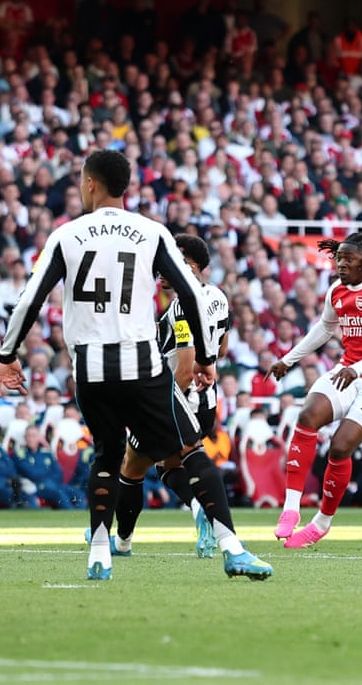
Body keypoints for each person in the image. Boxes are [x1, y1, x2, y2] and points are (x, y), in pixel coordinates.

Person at [0, 150, 223, 581]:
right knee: (173, 457)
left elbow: (30, 299)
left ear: (91, 183)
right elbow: (191, 299)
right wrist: (209, 360)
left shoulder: (67, 235)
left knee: (115, 459)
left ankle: (106, 545)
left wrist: (8, 355)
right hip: (148, 368)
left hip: (96, 367)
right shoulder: (152, 233)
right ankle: (218, 535)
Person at [109, 234, 272, 577]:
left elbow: (183, 367)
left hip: (178, 398)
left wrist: (164, 404)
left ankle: (197, 523)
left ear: (192, 265)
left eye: (171, 260)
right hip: (207, 401)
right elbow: (222, 348)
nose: (161, 269)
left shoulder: (182, 305)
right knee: (162, 466)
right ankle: (129, 538)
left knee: (139, 466)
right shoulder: (218, 297)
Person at [268, 234, 362, 548]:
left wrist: (356, 369)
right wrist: (288, 360)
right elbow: (324, 327)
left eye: (349, 260)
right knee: (308, 415)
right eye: (339, 259)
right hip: (349, 371)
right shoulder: (337, 290)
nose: (341, 265)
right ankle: (291, 509)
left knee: (340, 447)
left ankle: (321, 523)